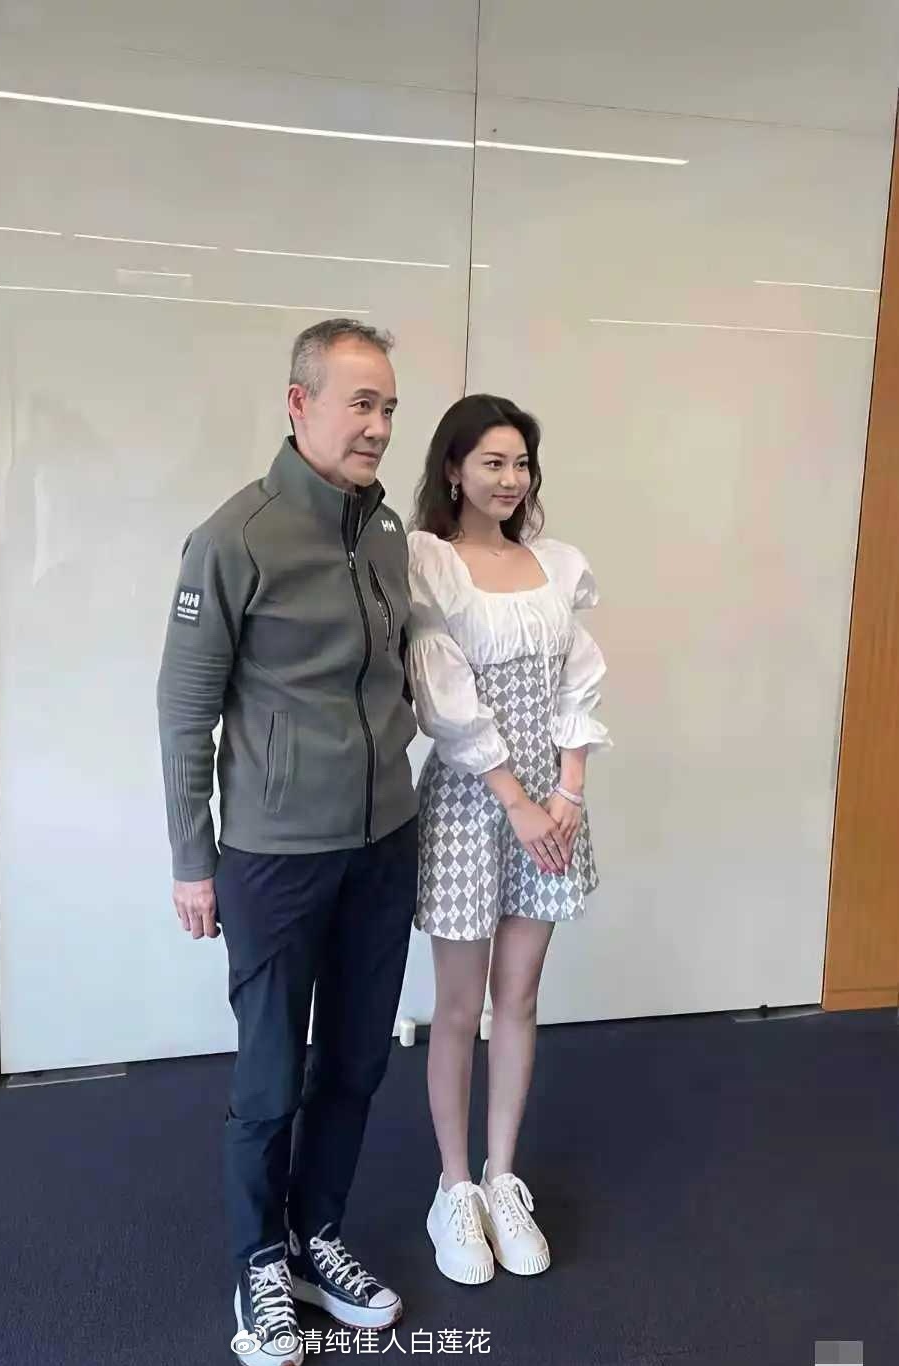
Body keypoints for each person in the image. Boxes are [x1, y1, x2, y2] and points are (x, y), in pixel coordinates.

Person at [156, 319, 419, 1366]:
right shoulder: (235, 538)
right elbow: (186, 710)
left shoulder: (387, 532)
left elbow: (402, 669)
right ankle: (258, 1260)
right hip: (275, 855)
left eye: (389, 407)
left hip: (383, 841)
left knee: (355, 1060)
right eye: (361, 403)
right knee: (270, 1074)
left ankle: (318, 1236)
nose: (379, 426)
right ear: (299, 404)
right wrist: (193, 858)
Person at [405, 393, 611, 1286]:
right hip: (471, 801)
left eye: (521, 462)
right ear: (453, 469)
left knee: (519, 998)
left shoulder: (556, 565)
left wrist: (567, 792)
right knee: (458, 1008)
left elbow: (579, 683)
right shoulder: (431, 562)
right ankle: (453, 1188)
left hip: (550, 807)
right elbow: (443, 699)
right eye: (492, 461)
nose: (510, 478)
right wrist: (517, 802)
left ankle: (501, 1179)